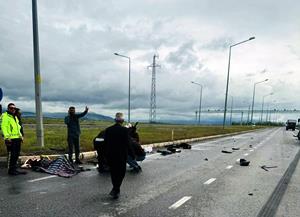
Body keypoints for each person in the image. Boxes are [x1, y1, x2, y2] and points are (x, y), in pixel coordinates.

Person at [104, 112, 133, 199]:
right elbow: (128, 143)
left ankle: (115, 188)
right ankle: (116, 188)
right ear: (122, 121)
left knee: (113, 172)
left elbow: (105, 143)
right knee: (121, 172)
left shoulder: (108, 130)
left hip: (111, 154)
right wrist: (132, 154)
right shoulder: (124, 130)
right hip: (121, 155)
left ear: (115, 120)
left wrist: (105, 155)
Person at [1, 103, 26, 175]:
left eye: (14, 108)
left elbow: (18, 128)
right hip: (11, 139)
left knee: (16, 154)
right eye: (11, 108)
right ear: (8, 109)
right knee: (12, 154)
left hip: (17, 138)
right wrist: (7, 138)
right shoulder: (5, 116)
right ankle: (11, 170)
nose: (13, 109)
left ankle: (14, 169)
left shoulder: (14, 117)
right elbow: (4, 127)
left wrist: (21, 136)